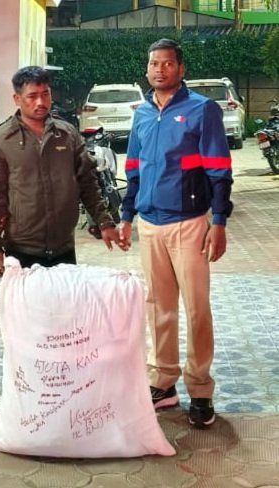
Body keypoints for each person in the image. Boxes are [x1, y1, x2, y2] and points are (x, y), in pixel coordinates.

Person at [119, 39, 233, 428]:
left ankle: (200, 389)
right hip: (150, 224)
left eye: (168, 63)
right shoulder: (141, 113)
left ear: (181, 69)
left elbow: (219, 169)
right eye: (154, 63)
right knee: (158, 306)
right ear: (147, 69)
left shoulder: (202, 110)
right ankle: (163, 382)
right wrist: (126, 214)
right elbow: (133, 168)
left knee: (196, 307)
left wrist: (219, 221)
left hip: (189, 224)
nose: (160, 69)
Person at [0, 66, 119, 275]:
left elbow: (87, 183)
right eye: (32, 96)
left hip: (63, 246)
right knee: (27, 299)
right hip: (21, 248)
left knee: (64, 297)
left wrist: (104, 222)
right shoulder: (1, 140)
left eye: (45, 94)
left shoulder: (67, 134)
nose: (40, 102)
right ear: (17, 99)